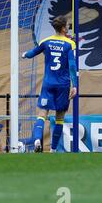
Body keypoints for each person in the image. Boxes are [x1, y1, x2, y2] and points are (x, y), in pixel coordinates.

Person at [21, 15, 78, 152]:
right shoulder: (70, 44)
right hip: (63, 86)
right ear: (64, 27)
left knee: (42, 113)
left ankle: (36, 140)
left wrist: (24, 54)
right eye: (68, 25)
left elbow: (31, 54)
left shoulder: (46, 41)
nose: (69, 27)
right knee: (59, 118)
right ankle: (53, 149)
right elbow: (72, 66)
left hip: (48, 83)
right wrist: (75, 85)